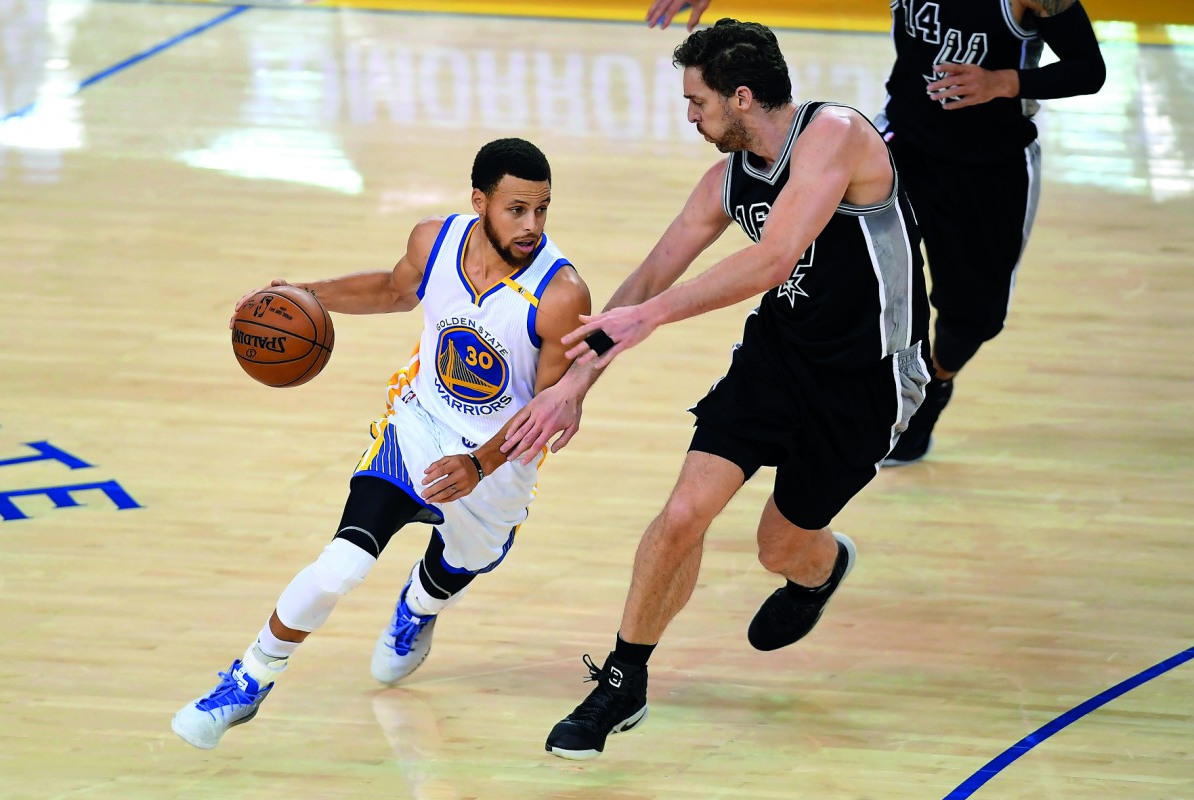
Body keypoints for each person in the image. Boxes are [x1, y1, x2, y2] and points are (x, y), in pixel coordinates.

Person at [501, 20, 931, 760]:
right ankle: (623, 678)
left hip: (866, 379)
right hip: (777, 360)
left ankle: (821, 570)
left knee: (779, 545)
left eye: (697, 102)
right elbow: (646, 280)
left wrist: (650, 317)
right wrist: (576, 383)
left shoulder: (836, 136)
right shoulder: (728, 179)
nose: (691, 117)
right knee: (682, 515)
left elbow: (771, 259)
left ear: (740, 97)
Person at [171, 138, 591, 750]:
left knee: (463, 564)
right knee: (342, 563)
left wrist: (481, 462)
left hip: (496, 458)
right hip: (416, 427)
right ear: (480, 202)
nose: (531, 226)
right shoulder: (435, 241)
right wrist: (303, 296)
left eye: (542, 210)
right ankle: (248, 679)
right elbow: (397, 291)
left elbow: (546, 411)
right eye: (515, 210)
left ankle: (418, 605)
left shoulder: (561, 293)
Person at [647, 0, 1107, 464]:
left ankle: (934, 383)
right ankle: (841, 392)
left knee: (974, 319)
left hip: (993, 165)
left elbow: (1089, 70)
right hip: (905, 144)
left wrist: (1005, 82)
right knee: (837, 269)